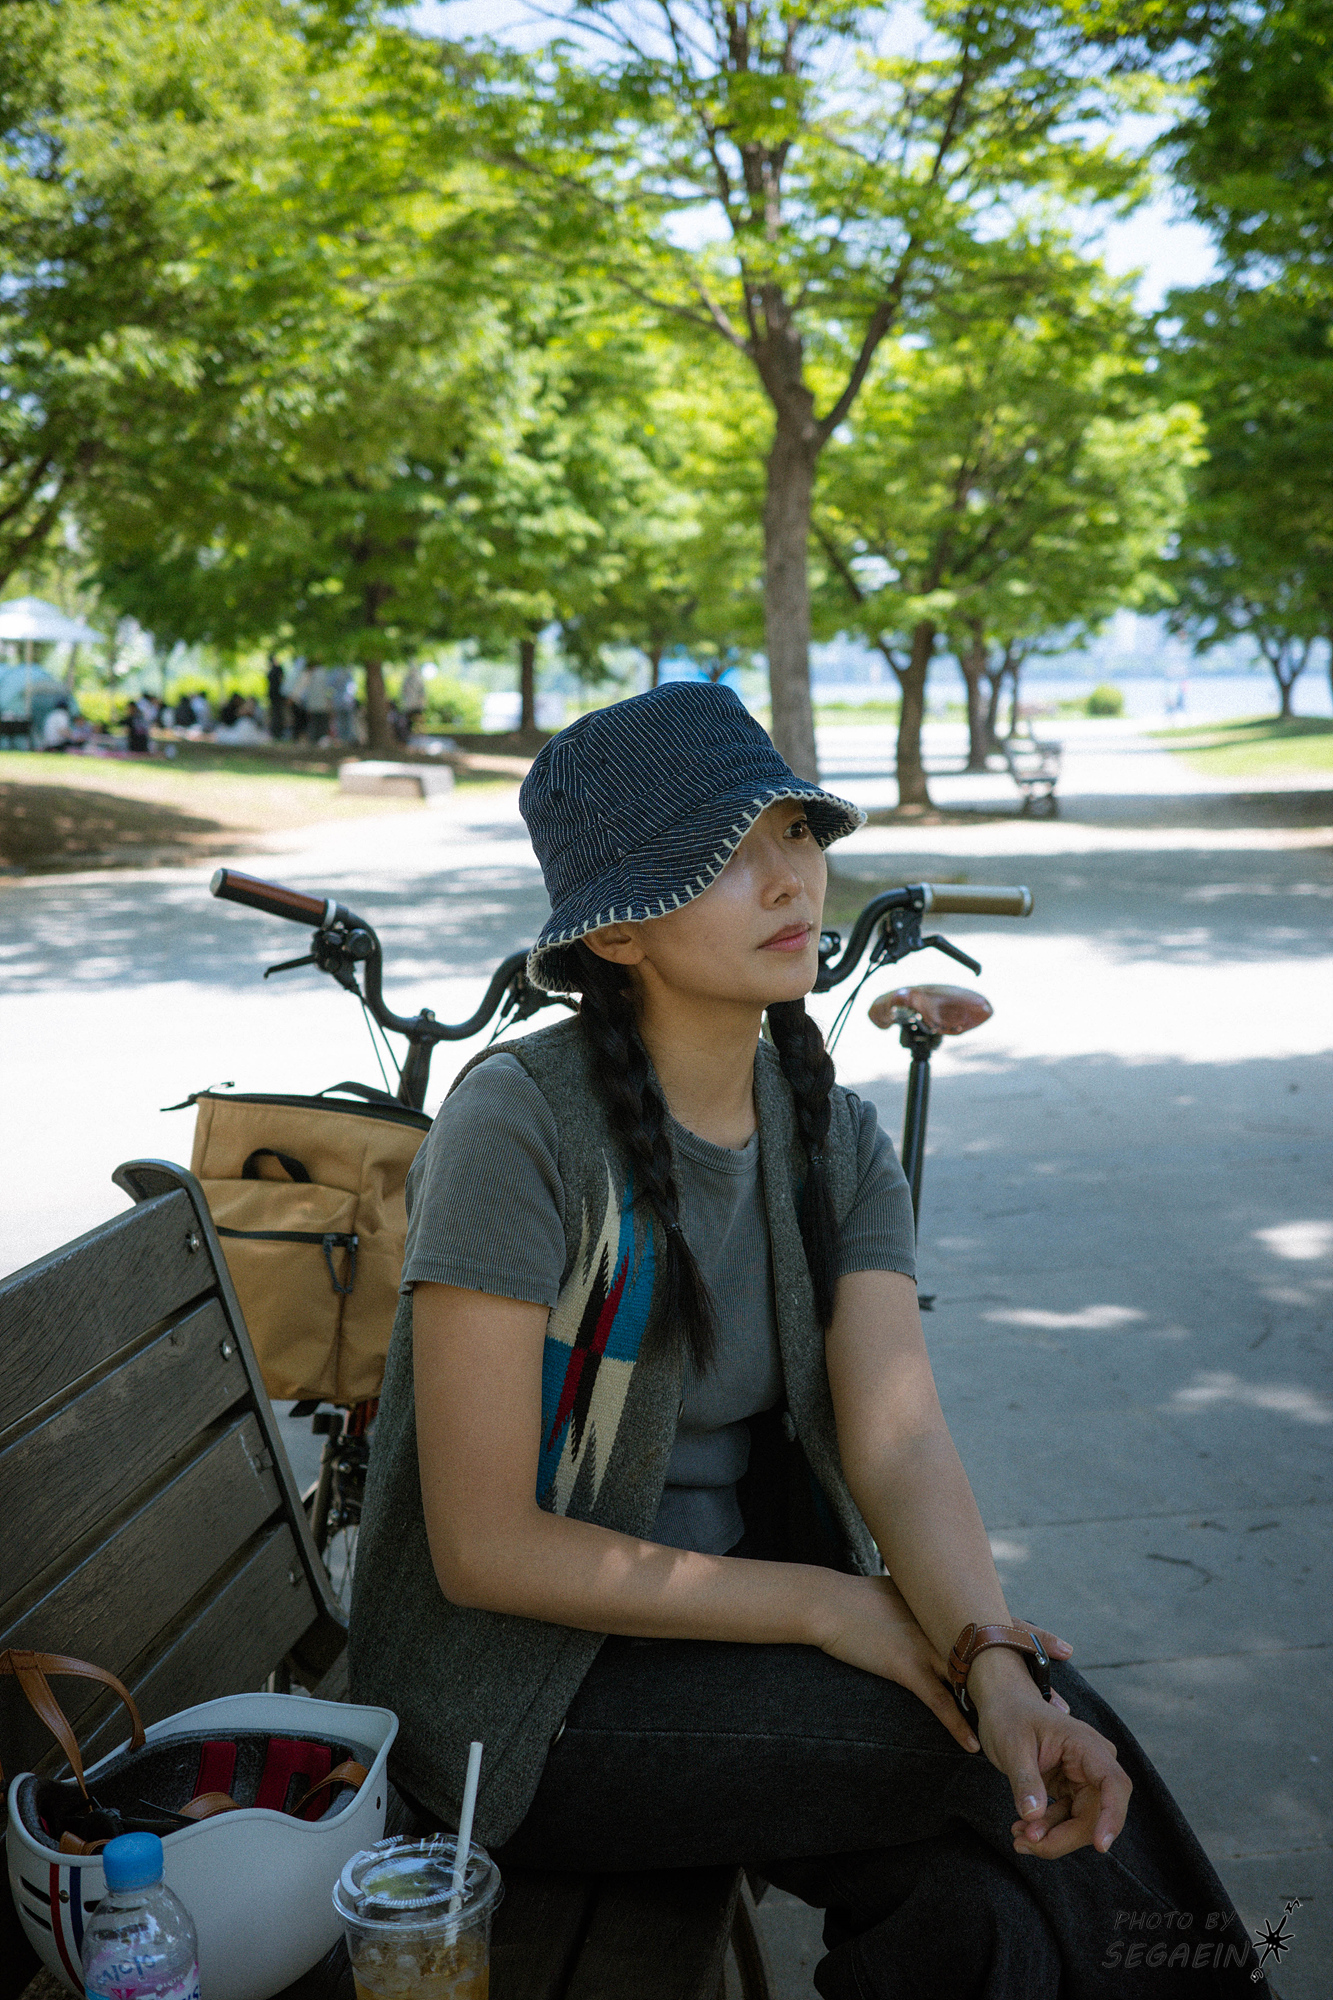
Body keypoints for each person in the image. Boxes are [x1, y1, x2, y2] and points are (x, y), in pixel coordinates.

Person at [349, 683, 1270, 1998]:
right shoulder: (520, 1125)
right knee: (993, 1759)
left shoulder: (830, 1134)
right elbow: (483, 1545)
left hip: (733, 1653)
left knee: (992, 1868)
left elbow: (901, 1441)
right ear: (616, 931)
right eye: (728, 853)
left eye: (794, 830)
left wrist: (991, 1654)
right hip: (525, 1707)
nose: (791, 878)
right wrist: (833, 1606)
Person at [399, 662, 425, 738]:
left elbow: (422, 693)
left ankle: (419, 733)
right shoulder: (409, 680)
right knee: (409, 720)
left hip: (415, 704)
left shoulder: (417, 680)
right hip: (410, 704)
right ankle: (410, 733)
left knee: (418, 719)